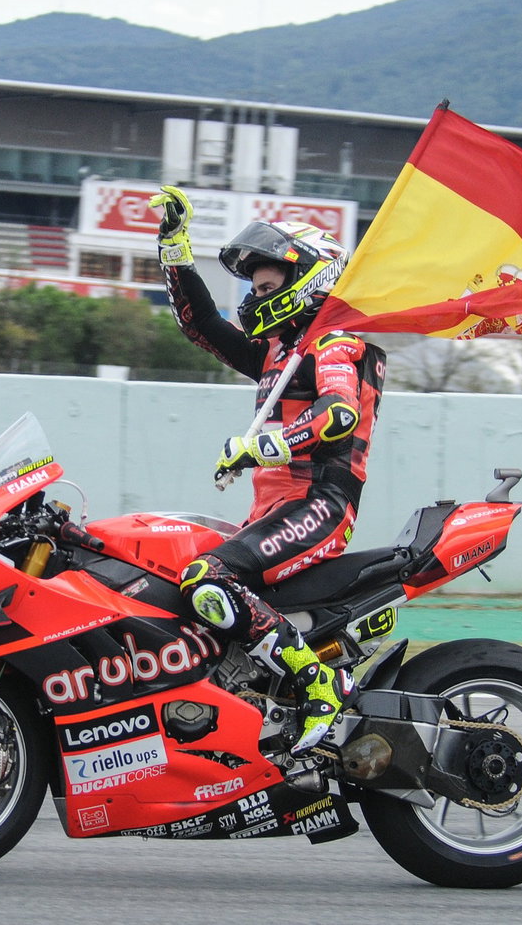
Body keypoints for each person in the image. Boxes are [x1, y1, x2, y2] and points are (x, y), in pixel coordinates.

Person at [149, 185, 386, 754]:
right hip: (273, 509)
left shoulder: (334, 343)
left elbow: (339, 413)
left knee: (208, 578)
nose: (255, 296)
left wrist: (262, 448)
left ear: (310, 277)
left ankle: (319, 683)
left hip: (321, 504)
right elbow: (201, 324)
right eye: (253, 286)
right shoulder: (279, 353)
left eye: (267, 285)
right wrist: (173, 245)